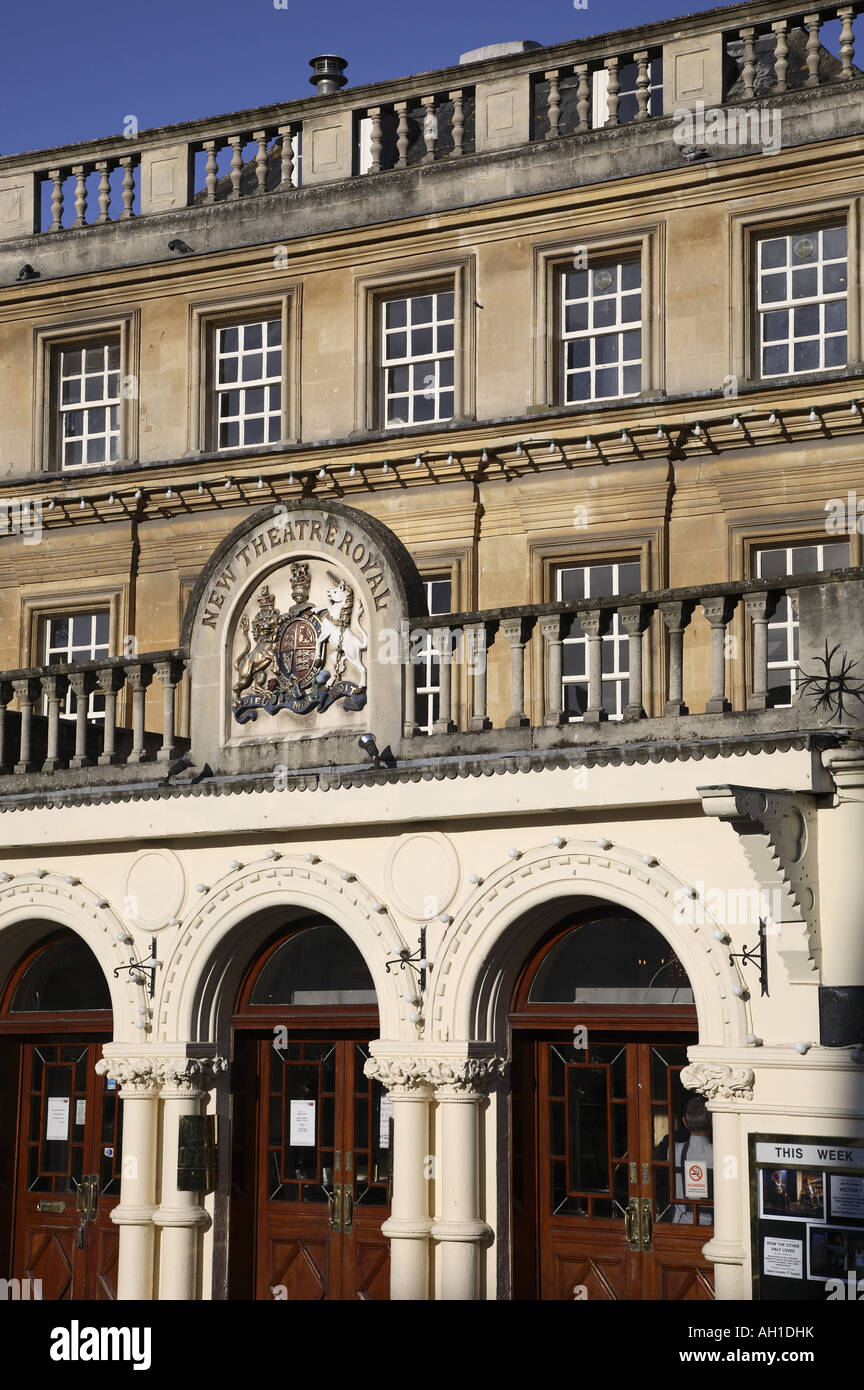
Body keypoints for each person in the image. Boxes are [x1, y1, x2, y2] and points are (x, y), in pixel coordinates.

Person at [656, 1097, 714, 1225]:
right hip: (714, 1225)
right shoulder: (720, 1155)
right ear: (711, 1121)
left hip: (681, 1223)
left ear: (684, 1122)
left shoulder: (673, 1151)